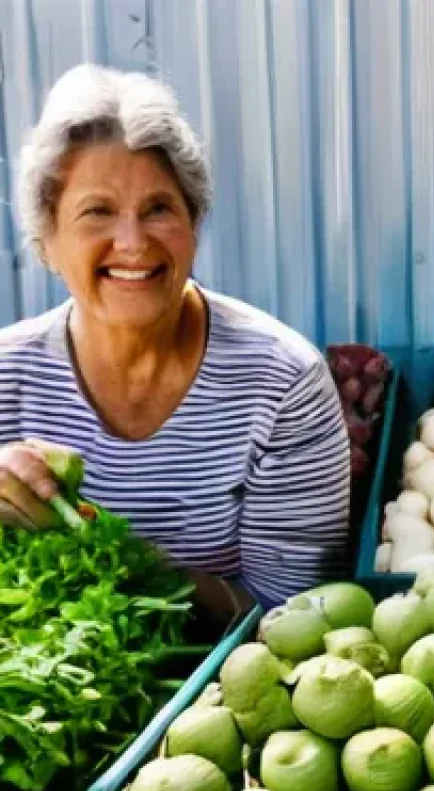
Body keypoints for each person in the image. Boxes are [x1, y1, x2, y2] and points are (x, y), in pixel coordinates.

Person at [0, 64, 350, 613]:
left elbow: (290, 614)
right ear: (46, 241)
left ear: (193, 223)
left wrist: (111, 550)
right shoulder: (6, 376)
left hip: (222, 688)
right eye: (98, 212)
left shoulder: (281, 383)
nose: (133, 243)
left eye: (159, 208)